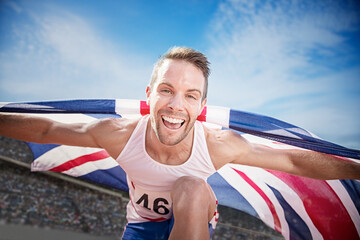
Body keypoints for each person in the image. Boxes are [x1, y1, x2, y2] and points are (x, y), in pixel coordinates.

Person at [0, 46, 359, 240]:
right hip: (140, 227)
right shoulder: (120, 134)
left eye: (190, 96)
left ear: (202, 107)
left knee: (189, 186)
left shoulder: (218, 144)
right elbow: (46, 131)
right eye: (167, 91)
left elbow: (295, 163)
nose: (175, 106)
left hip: (195, 220)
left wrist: (356, 169)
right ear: (149, 95)